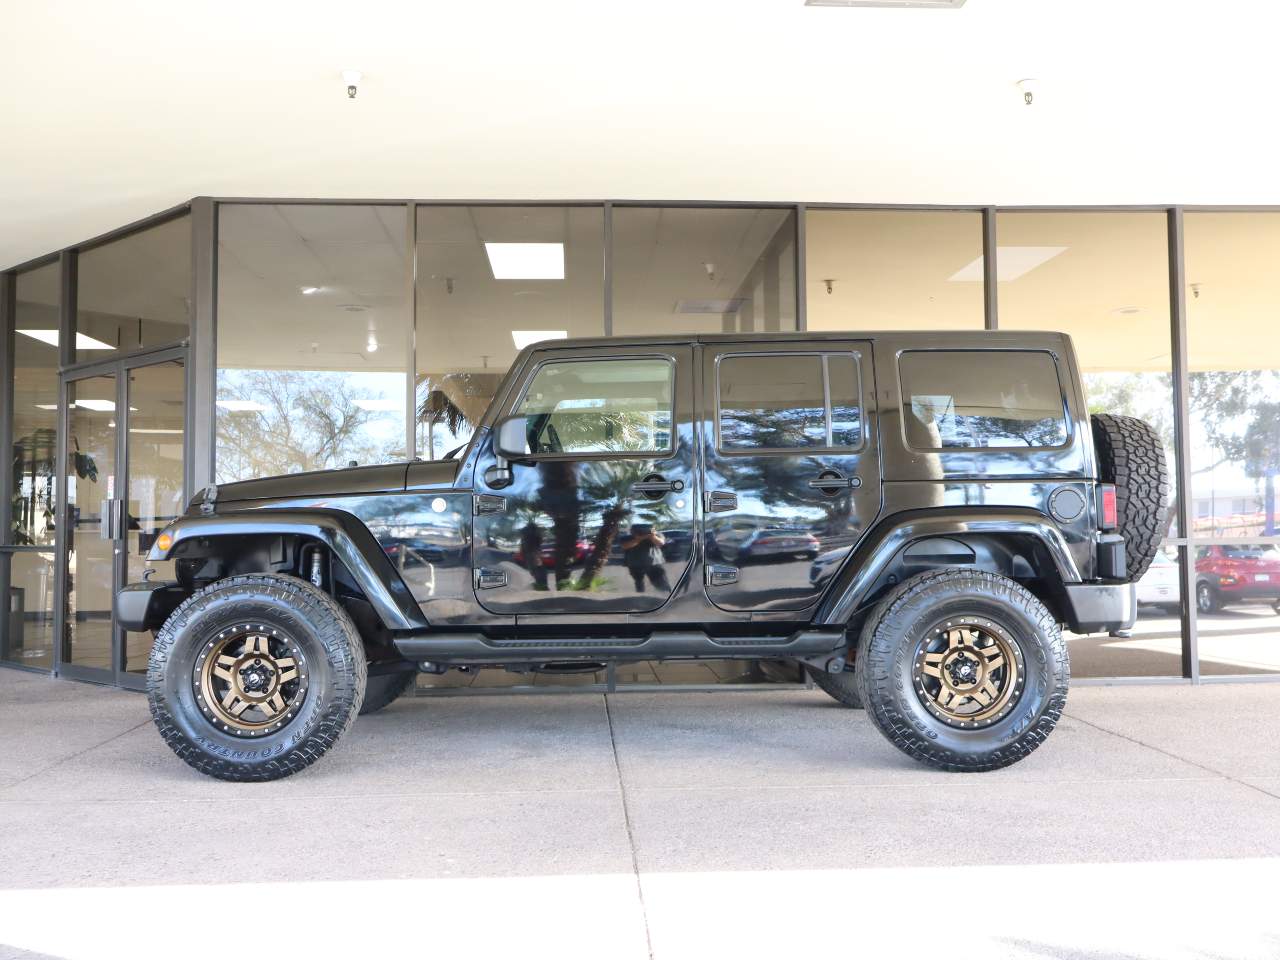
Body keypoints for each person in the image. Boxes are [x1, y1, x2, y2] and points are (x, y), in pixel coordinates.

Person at [621, 523, 670, 593]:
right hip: (635, 564)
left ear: (653, 530)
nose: (643, 531)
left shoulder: (657, 535)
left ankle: (666, 597)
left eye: (647, 530)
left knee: (660, 581)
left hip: (654, 563)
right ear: (632, 531)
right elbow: (625, 546)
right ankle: (641, 599)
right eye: (639, 530)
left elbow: (661, 543)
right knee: (639, 582)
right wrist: (638, 539)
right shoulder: (627, 537)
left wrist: (652, 536)